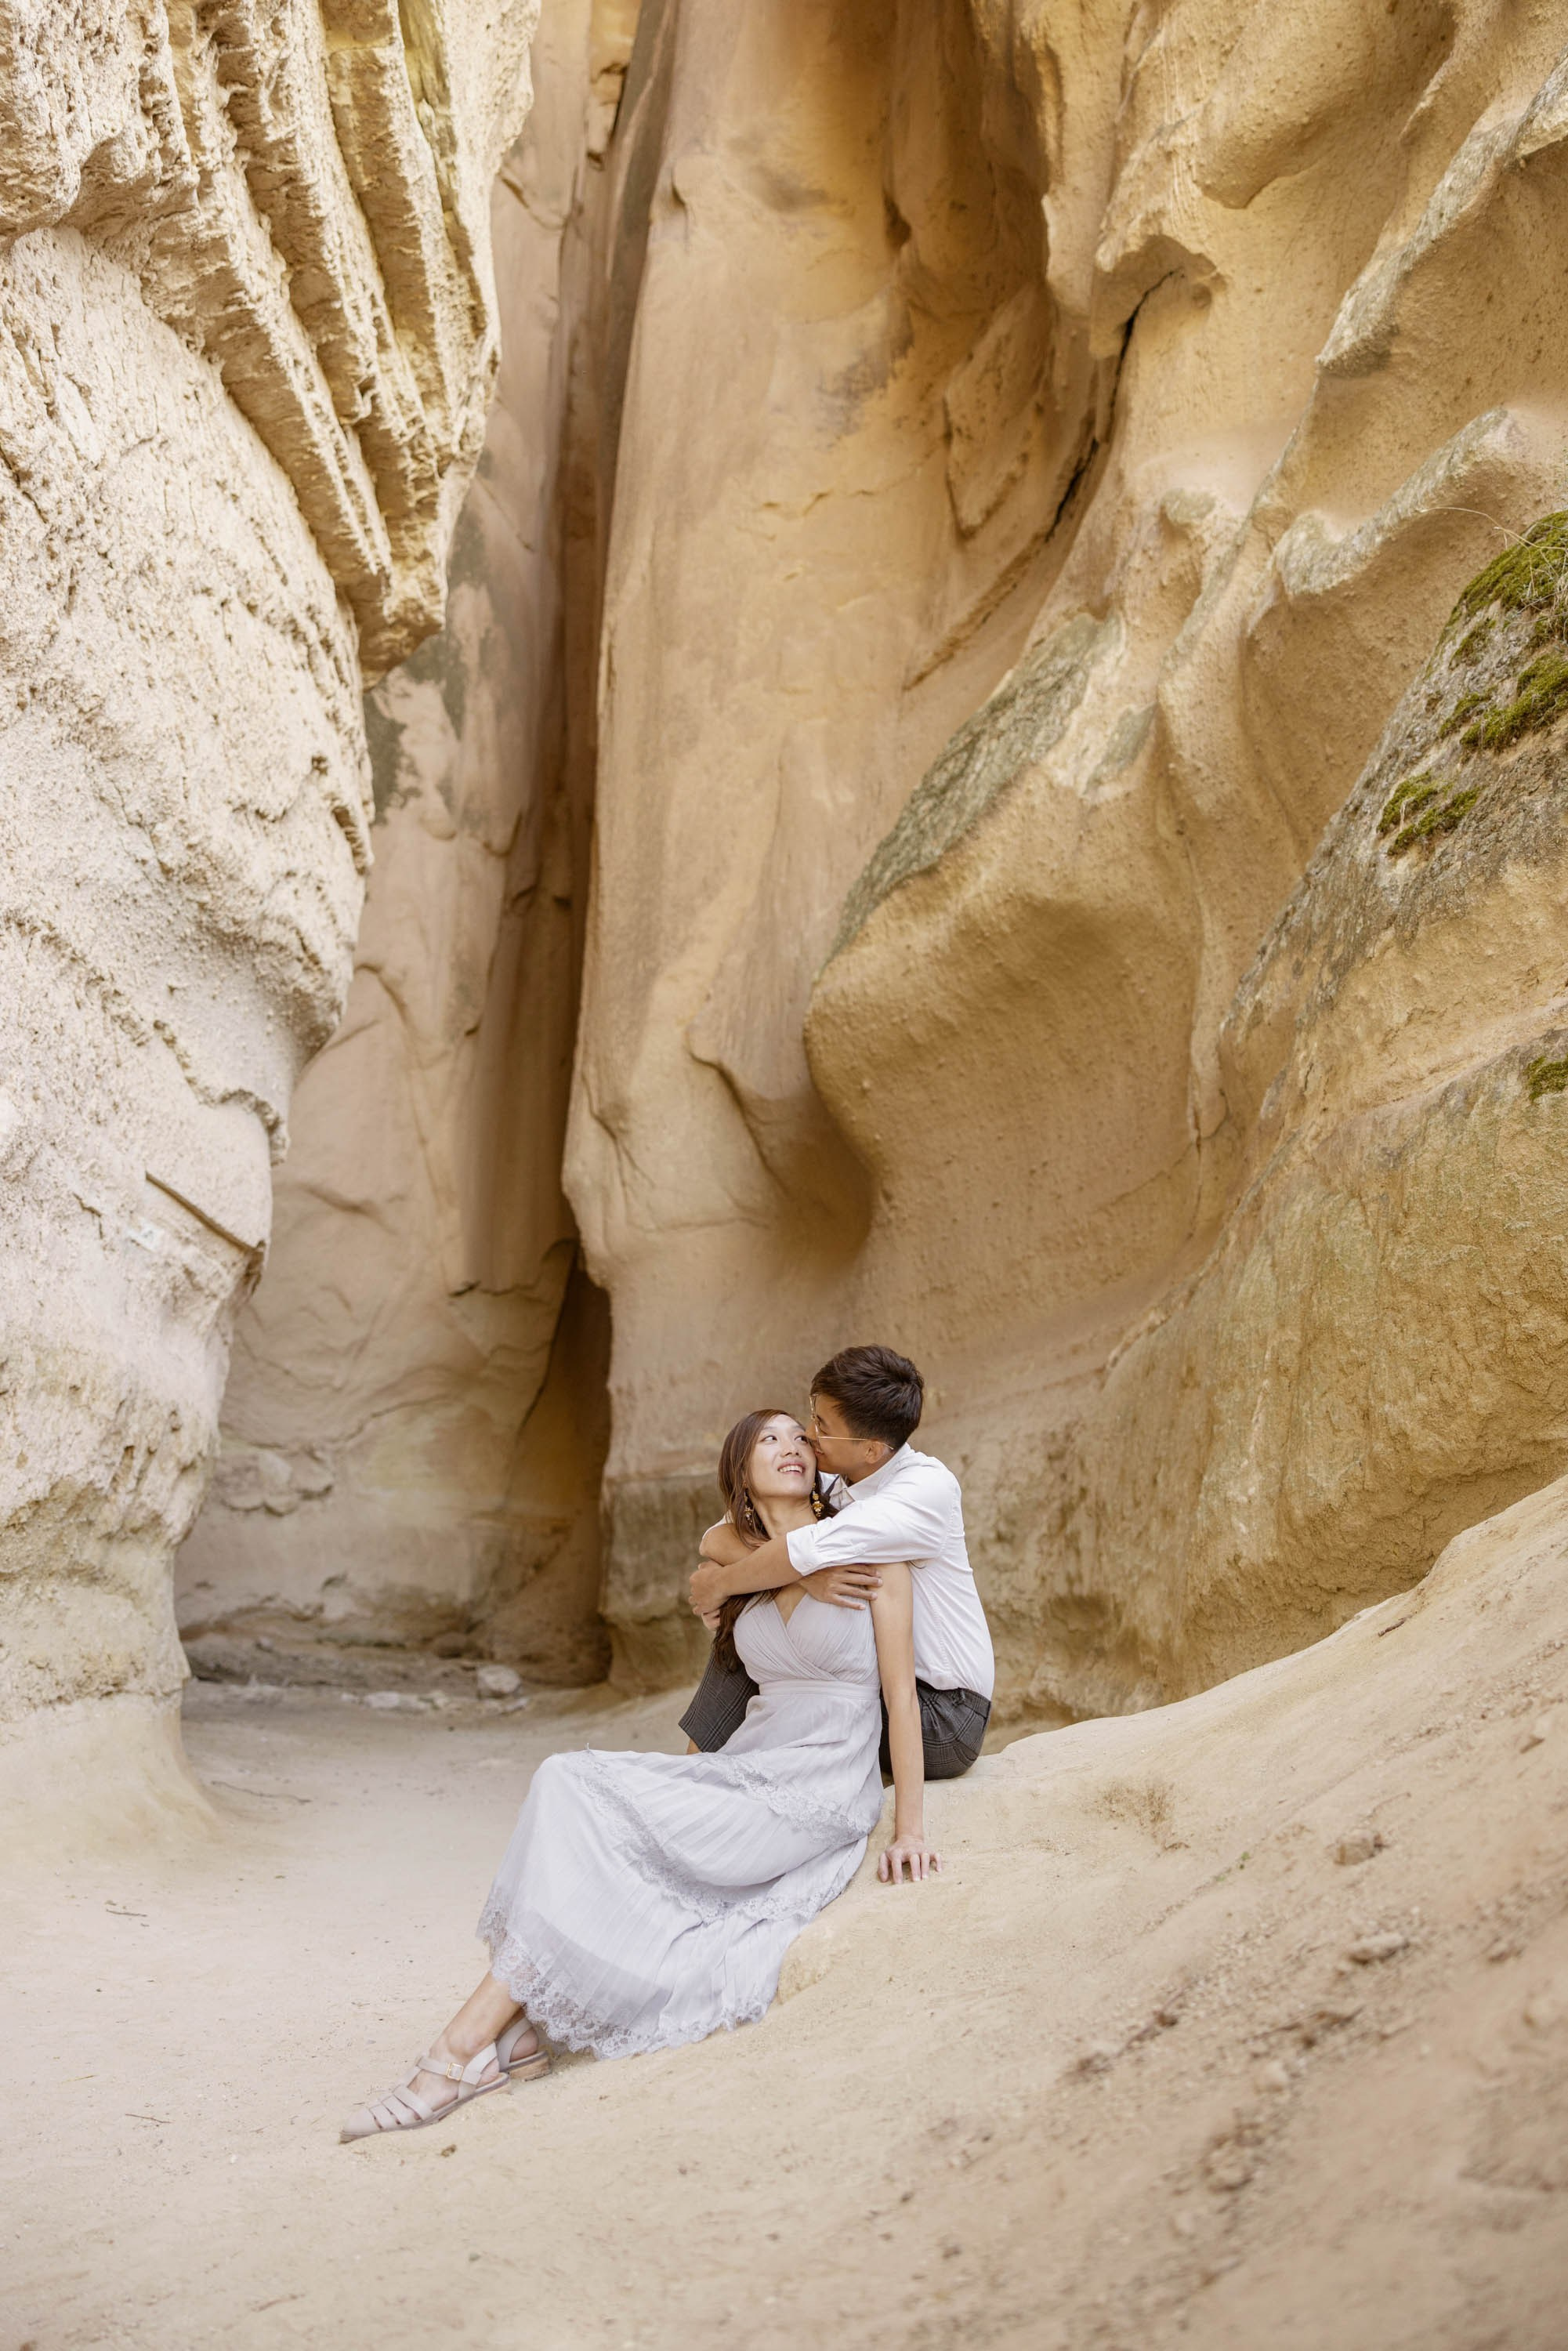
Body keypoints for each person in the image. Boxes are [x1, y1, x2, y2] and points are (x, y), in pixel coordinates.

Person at [339, 1407, 936, 2142]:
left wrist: (906, 1826)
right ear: (740, 1475)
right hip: (748, 1764)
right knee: (567, 1780)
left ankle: (459, 2053)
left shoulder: (876, 1554)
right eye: (766, 1441)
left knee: (599, 1814)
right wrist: (784, 1569)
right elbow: (720, 1581)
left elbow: (900, 1694)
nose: (789, 1447)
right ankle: (510, 2033)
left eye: (797, 1435)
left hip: (816, 1785)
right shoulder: (730, 1564)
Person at [684, 1345, 994, 1780]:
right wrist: (794, 1580)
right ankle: (694, 1772)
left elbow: (799, 1554)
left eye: (821, 1427)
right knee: (756, 1616)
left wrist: (727, 1584)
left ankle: (700, 1773)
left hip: (943, 1715)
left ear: (870, 1449)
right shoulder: (837, 1476)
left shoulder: (921, 1491)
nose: (809, 1436)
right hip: (879, 1686)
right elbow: (720, 1533)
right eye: (813, 1416)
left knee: (755, 1600)